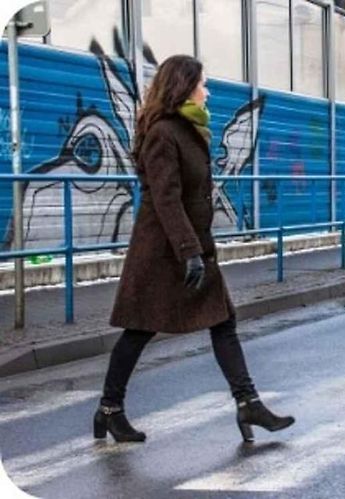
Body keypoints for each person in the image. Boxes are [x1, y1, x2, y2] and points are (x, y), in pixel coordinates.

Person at [94, 55, 294, 443]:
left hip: (191, 247)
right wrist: (189, 252)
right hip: (162, 252)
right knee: (139, 330)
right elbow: (166, 199)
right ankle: (109, 409)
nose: (209, 91)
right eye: (204, 83)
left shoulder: (188, 129)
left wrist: (195, 249)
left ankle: (247, 402)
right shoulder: (162, 134)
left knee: (223, 321)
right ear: (184, 86)